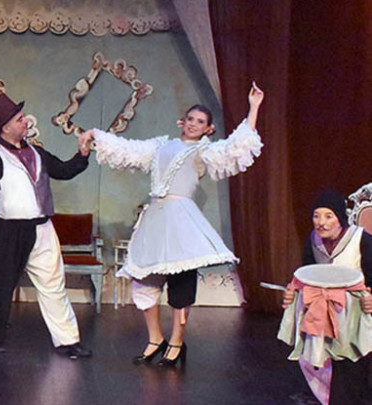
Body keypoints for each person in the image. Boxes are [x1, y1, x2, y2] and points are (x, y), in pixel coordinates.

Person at [86, 83, 265, 366]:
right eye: (190, 118)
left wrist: (253, 107)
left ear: (208, 129)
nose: (194, 124)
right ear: (182, 121)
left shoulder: (205, 151)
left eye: (201, 122)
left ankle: (177, 341)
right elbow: (128, 149)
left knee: (181, 283)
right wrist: (95, 135)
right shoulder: (160, 146)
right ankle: (155, 339)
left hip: (180, 220)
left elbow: (235, 147)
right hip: (155, 219)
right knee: (145, 280)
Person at [0, 92, 94, 358]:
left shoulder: (37, 152)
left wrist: (82, 155)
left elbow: (63, 170)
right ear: (5, 127)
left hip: (42, 228)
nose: (26, 121)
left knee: (54, 284)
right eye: (19, 119)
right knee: (0, 286)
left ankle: (67, 340)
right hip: (10, 231)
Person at [281, 189, 372, 405]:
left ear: (340, 217)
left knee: (352, 366)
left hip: (357, 315)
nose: (321, 222)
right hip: (324, 314)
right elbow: (306, 275)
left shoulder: (362, 240)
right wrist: (292, 291)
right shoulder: (313, 242)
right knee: (316, 360)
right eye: (316, 216)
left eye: (328, 216)